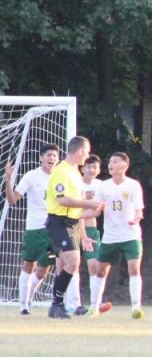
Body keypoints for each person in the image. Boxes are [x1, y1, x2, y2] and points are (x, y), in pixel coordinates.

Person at [43, 136, 104, 319]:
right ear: (79, 151)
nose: (87, 156)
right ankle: (57, 304)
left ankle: (57, 305)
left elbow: (76, 209)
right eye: (86, 152)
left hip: (72, 223)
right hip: (59, 222)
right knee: (73, 262)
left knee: (68, 264)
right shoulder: (62, 172)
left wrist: (83, 234)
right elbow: (62, 200)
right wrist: (89, 203)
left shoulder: (75, 173)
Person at [4, 145, 58, 315]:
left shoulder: (60, 177)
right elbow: (13, 200)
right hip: (34, 229)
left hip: (53, 230)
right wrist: (8, 179)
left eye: (55, 156)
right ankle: (23, 306)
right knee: (28, 264)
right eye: (49, 155)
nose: (52, 159)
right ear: (41, 158)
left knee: (43, 271)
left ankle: (29, 297)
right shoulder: (31, 176)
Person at [92, 152, 145, 318]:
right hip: (110, 236)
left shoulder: (133, 185)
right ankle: (94, 306)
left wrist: (135, 219)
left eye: (115, 162)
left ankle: (136, 307)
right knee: (101, 271)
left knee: (134, 269)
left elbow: (139, 210)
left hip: (131, 235)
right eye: (110, 161)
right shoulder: (103, 186)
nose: (111, 164)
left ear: (124, 166)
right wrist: (90, 211)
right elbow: (95, 209)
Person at [69, 154, 105, 315]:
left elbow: (97, 211)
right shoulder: (76, 183)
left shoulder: (101, 186)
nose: (91, 169)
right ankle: (73, 302)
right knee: (72, 265)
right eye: (88, 166)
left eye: (94, 167)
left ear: (98, 170)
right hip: (72, 229)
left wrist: (81, 212)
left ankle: (95, 302)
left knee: (94, 265)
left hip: (91, 231)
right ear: (82, 168)